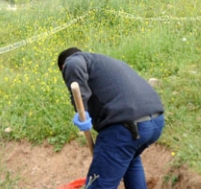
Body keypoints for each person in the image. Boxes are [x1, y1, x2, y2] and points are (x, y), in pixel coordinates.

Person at [57, 47, 165, 188]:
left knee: (100, 185)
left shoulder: (73, 61)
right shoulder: (106, 63)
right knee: (131, 162)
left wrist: (81, 108)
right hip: (155, 122)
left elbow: (73, 64)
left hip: (126, 126)